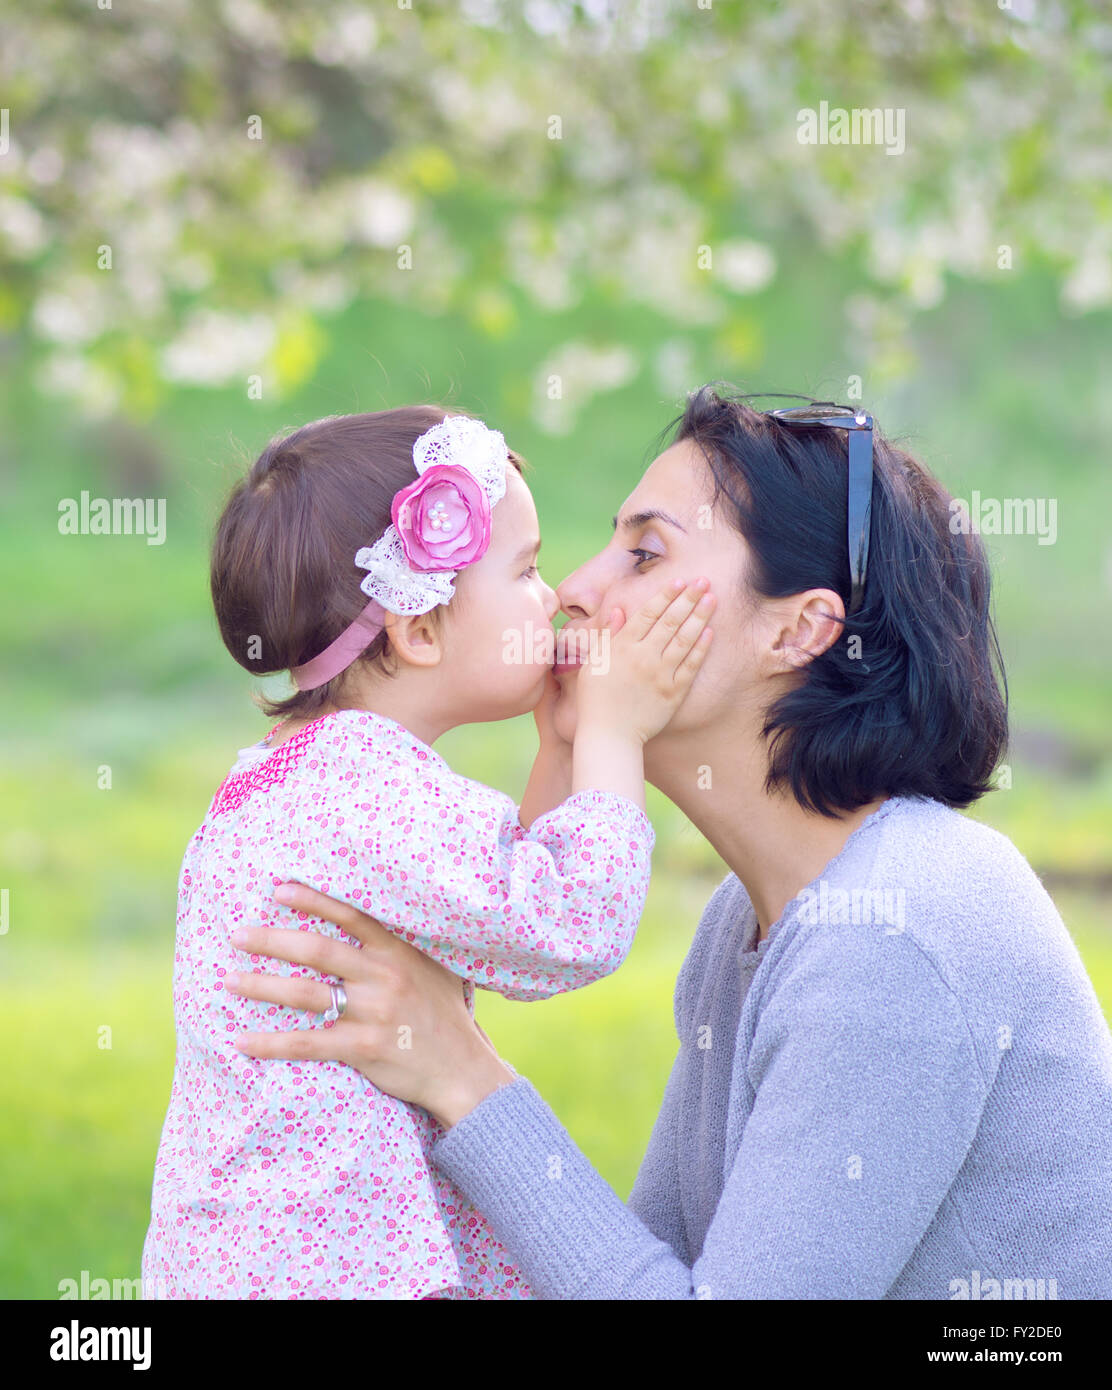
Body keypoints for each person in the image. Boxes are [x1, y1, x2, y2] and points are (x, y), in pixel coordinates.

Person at [227, 385, 1112, 1299]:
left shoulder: (898, 933)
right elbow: (652, 1273)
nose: (574, 590)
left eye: (643, 554)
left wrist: (463, 1074)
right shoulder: (746, 922)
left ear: (799, 628)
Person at [140, 405, 716, 1300]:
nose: (554, 592)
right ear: (416, 630)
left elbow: (507, 915)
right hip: (331, 1270)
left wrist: (560, 750)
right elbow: (567, 925)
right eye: (523, 571)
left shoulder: (292, 777)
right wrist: (615, 730)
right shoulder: (373, 788)